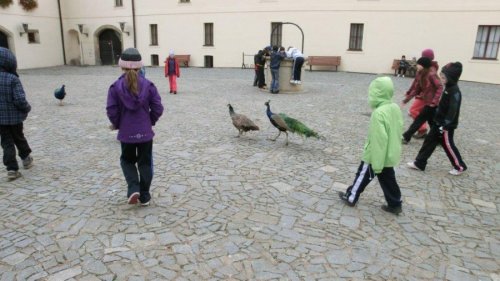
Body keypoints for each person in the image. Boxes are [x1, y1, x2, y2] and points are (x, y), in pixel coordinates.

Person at [107, 48, 164, 206]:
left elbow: (111, 110)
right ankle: (144, 195)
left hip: (127, 133)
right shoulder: (149, 85)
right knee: (145, 163)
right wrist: (149, 121)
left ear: (121, 66)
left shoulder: (115, 87)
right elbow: (158, 107)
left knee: (127, 161)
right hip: (145, 133)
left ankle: (133, 188)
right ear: (140, 67)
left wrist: (118, 124)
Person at [338, 76, 404, 215]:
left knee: (362, 175)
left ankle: (351, 196)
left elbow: (379, 139)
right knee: (388, 179)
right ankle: (395, 203)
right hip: (389, 153)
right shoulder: (394, 107)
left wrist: (376, 161)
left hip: (376, 154)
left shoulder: (378, 113)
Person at [407, 62, 467, 176]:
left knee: (448, 145)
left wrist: (445, 125)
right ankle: (420, 163)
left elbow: (452, 111)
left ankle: (460, 166)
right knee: (428, 141)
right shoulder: (448, 88)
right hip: (438, 123)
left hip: (446, 126)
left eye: (444, 77)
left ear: (451, 78)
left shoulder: (454, 91)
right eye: (441, 76)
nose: (441, 78)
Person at [0, 47, 33, 181]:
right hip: (15, 118)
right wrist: (26, 108)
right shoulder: (12, 79)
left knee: (6, 142)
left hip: (0, 121)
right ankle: (25, 158)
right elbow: (19, 99)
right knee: (19, 137)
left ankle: (12, 169)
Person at [401, 57, 442, 144]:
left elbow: (439, 87)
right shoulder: (420, 73)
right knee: (433, 122)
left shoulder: (431, 74)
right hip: (427, 102)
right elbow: (416, 89)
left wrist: (434, 102)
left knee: (419, 120)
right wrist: (406, 100)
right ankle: (439, 139)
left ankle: (406, 136)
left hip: (431, 103)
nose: (416, 65)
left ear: (423, 65)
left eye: (418, 64)